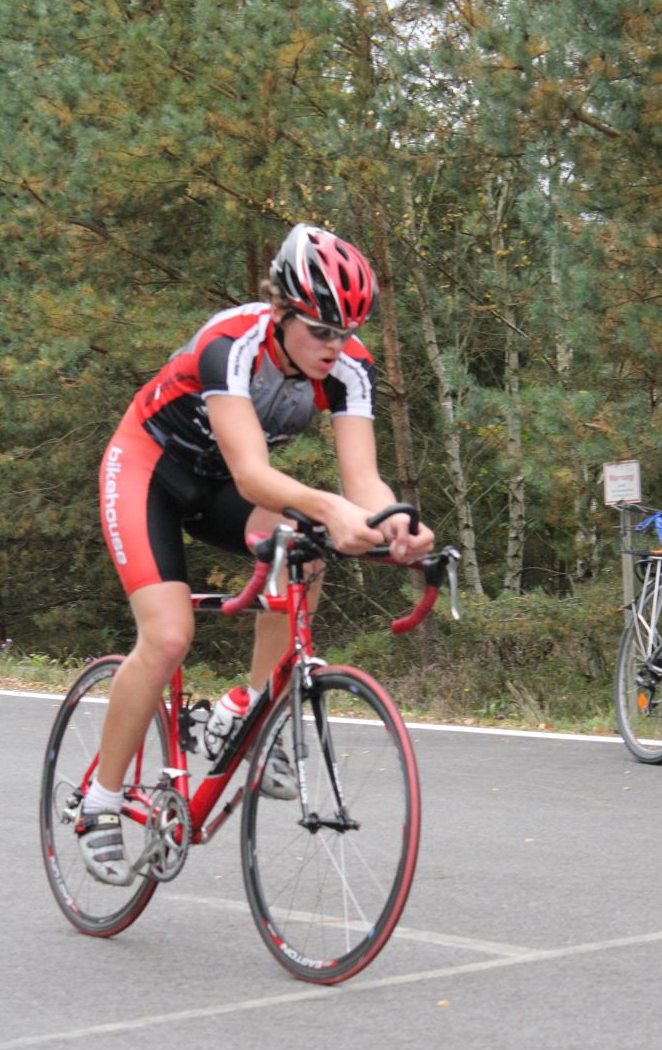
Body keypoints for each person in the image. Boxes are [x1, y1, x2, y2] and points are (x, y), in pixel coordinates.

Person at [80, 223, 434, 885]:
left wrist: (395, 525)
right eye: (321, 330)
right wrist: (331, 508)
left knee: (306, 551)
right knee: (167, 637)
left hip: (215, 487)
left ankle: (244, 706)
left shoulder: (352, 365)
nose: (335, 346)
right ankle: (100, 800)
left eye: (347, 329)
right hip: (149, 470)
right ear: (282, 312)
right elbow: (251, 474)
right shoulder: (231, 343)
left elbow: (363, 482)